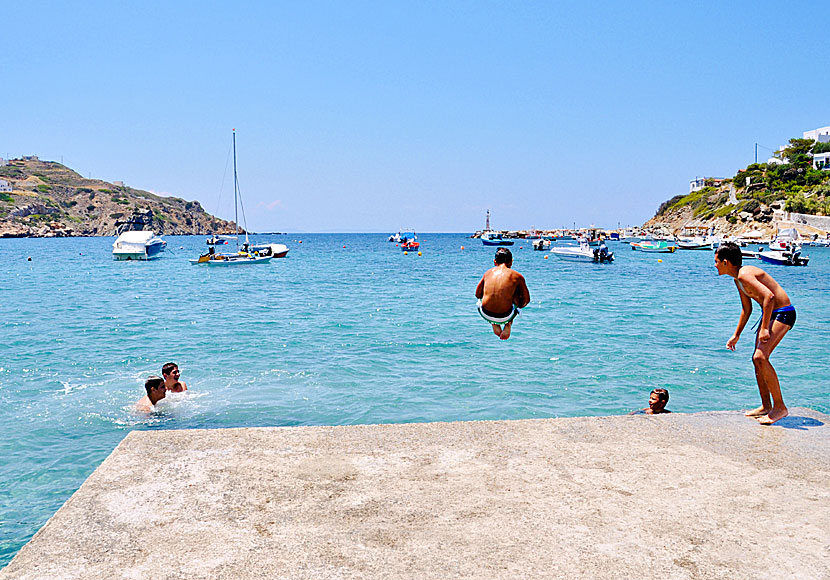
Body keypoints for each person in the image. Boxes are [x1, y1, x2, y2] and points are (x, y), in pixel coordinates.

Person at [715, 242, 795, 425]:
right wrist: (736, 335)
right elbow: (746, 308)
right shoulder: (738, 279)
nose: (715, 265)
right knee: (757, 359)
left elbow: (769, 297)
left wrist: (765, 328)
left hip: (783, 313)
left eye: (717, 261)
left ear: (726, 262)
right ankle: (766, 406)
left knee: (760, 357)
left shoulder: (744, 275)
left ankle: (780, 407)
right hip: (771, 314)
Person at [475, 248, 530, 340]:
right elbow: (526, 300)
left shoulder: (488, 273)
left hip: (485, 314)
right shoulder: (517, 276)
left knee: (487, 295)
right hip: (506, 316)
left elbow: (477, 295)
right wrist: (518, 306)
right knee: (514, 292)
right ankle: (508, 324)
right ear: (511, 262)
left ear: (494, 262)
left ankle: (493, 323)